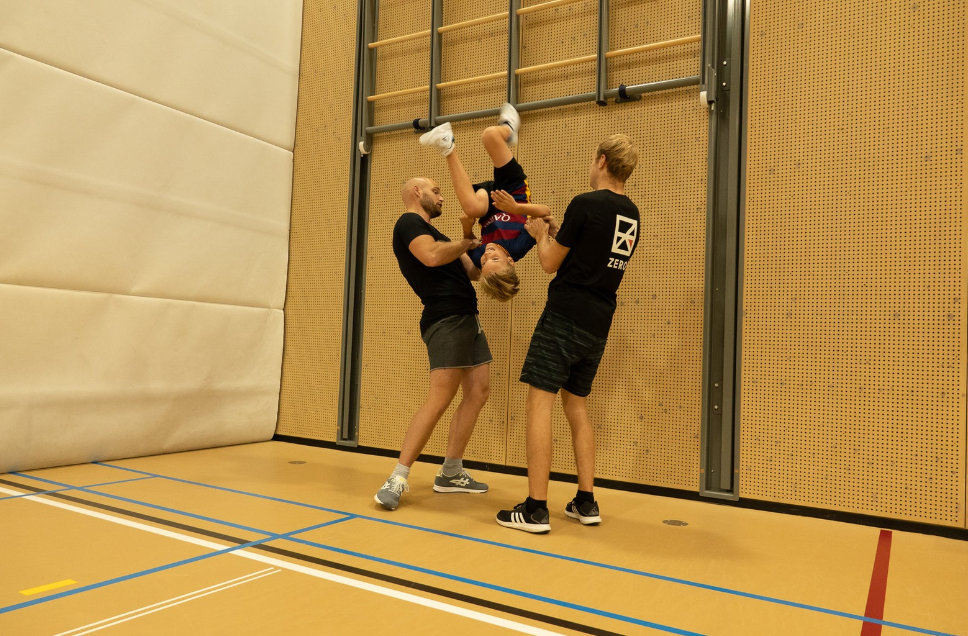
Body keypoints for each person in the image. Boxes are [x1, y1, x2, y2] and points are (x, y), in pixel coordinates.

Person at [495, 134, 640, 533]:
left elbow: (548, 263)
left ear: (602, 161)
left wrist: (542, 235)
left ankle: (536, 508)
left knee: (538, 404)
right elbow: (591, 254)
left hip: (564, 316)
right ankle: (586, 500)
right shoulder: (632, 216)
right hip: (598, 323)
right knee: (576, 407)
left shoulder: (585, 203)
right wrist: (557, 234)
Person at [374, 176, 492, 511]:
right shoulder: (409, 223)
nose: (442, 197)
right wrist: (465, 242)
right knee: (440, 398)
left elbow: (472, 271)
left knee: (479, 391)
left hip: (467, 316)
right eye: (436, 191)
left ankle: (451, 472)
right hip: (446, 318)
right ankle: (397, 477)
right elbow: (430, 257)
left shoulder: (440, 236)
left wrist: (498, 247)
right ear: (416, 192)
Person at [419, 103, 555, 301]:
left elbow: (472, 242)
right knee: (490, 135)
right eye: (495, 258)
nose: (487, 254)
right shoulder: (518, 246)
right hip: (513, 191)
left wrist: (466, 228)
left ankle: (447, 145)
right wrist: (515, 207)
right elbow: (544, 211)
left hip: (488, 204)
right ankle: (509, 127)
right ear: (510, 261)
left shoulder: (478, 256)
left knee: (472, 209)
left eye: (485, 262)